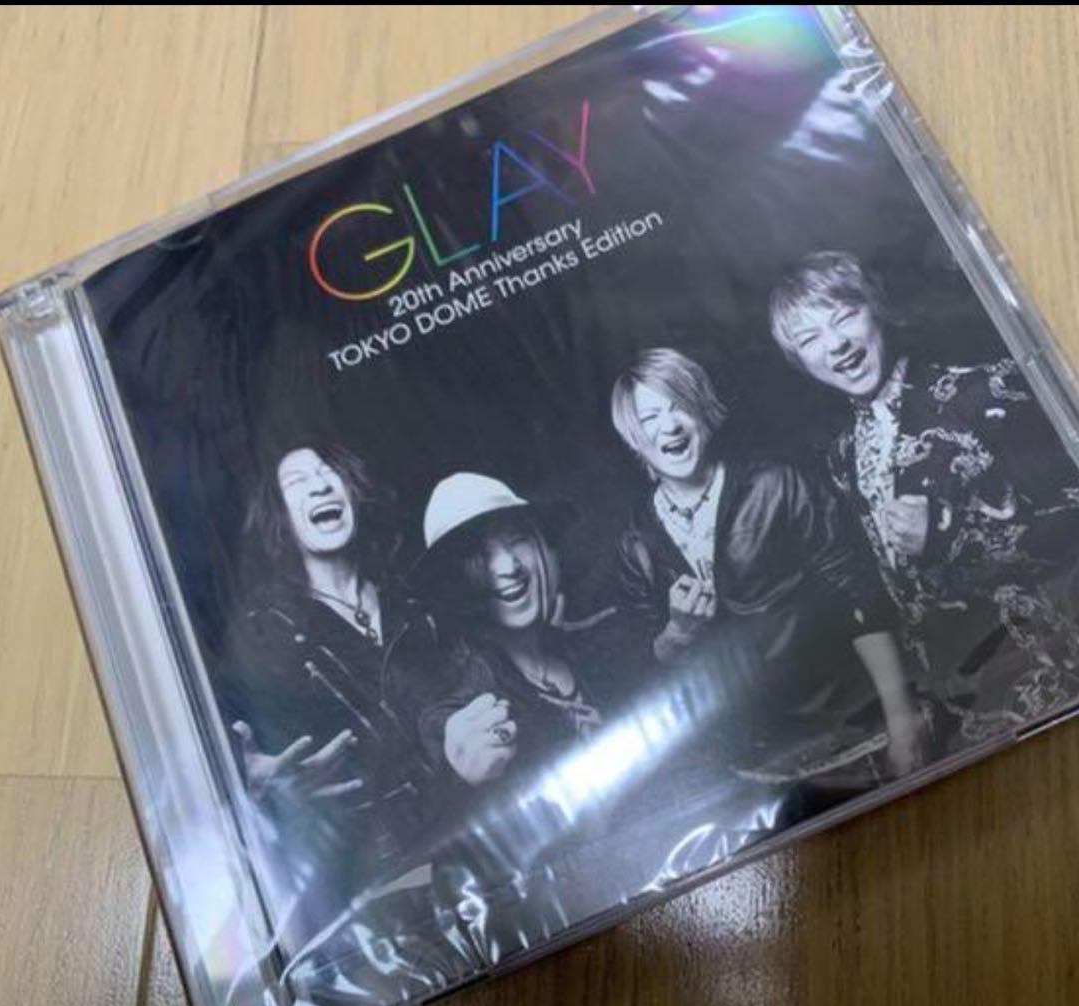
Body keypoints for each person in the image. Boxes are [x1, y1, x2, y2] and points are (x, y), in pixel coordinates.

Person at [768, 250, 1079, 740]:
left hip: (1056, 672)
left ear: (876, 306)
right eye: (810, 339)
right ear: (799, 362)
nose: (836, 344)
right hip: (961, 701)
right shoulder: (842, 455)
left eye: (845, 316)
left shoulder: (983, 389)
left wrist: (952, 529)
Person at [610, 346, 927, 790]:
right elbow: (641, 680)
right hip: (740, 770)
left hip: (849, 734)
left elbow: (861, 600)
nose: (670, 425)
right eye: (650, 418)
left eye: (679, 405)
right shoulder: (636, 543)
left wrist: (901, 718)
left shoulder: (778, 484)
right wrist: (677, 634)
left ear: (702, 410)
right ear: (633, 437)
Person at [224, 442, 452, 1006]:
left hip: (457, 852)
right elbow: (240, 758)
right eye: (299, 482)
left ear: (354, 493)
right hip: (363, 897)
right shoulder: (265, 630)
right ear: (281, 517)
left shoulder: (415, 603)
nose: (321, 486)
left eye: (329, 474)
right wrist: (253, 783)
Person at [407, 472, 665, 965]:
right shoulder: (463, 701)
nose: (507, 567)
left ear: (544, 548)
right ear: (455, 582)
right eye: (480, 555)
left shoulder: (581, 651)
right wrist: (460, 781)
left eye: (517, 541)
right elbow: (449, 843)